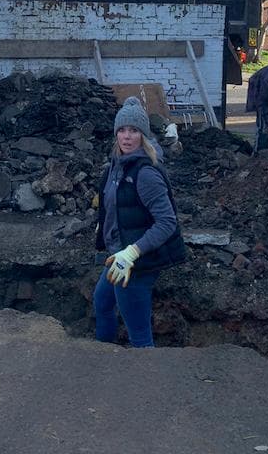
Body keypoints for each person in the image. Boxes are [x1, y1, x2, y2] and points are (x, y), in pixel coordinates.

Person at [93, 96, 186, 348]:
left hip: (137, 262)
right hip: (119, 254)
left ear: (143, 135)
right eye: (122, 130)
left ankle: (146, 381)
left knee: (139, 332)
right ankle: (102, 360)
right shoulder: (116, 164)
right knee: (102, 304)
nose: (126, 136)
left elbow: (167, 223)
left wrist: (132, 253)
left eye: (133, 130)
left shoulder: (145, 173)